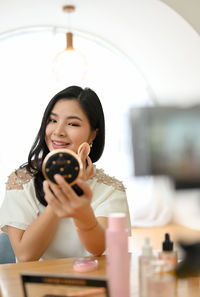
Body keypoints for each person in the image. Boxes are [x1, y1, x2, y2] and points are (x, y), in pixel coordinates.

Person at [0, 86, 131, 262]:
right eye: (52, 120)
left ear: (93, 134)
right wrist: (62, 193)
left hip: (90, 284)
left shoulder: (111, 190)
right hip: (36, 286)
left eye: (72, 124)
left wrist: (79, 205)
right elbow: (25, 255)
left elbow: (98, 248)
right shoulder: (21, 181)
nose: (58, 131)